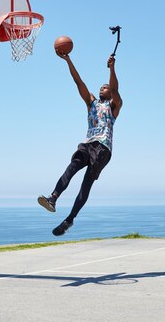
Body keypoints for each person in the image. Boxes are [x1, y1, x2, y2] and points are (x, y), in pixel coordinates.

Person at [38, 48, 123, 236]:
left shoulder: (114, 106)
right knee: (72, 166)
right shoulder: (91, 103)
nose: (102, 88)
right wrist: (68, 60)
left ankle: (69, 220)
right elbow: (79, 82)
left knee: (86, 185)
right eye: (101, 87)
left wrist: (112, 69)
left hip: (103, 149)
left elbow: (116, 89)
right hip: (87, 144)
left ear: (110, 93)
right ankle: (53, 197)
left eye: (105, 87)